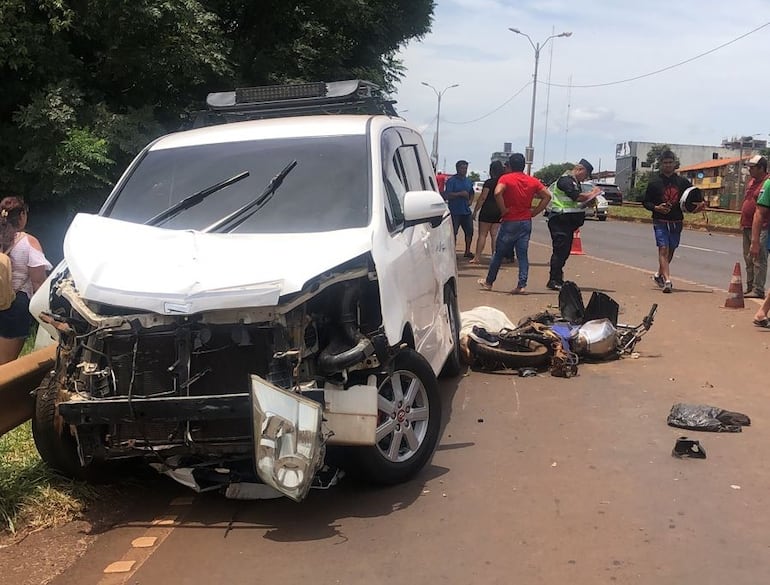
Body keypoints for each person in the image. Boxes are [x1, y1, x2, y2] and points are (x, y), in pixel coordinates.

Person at [477, 153, 551, 294]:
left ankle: (489, 282)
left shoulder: (506, 178)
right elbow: (547, 196)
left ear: (509, 166)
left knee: (498, 254)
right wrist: (535, 212)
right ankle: (521, 285)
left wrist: (503, 209)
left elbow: (498, 193)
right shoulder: (532, 181)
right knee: (522, 255)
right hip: (525, 221)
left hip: (510, 221)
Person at [642, 150, 705, 294]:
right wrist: (656, 208)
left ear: (674, 164)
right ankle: (668, 281)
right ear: (661, 164)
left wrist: (699, 207)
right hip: (660, 221)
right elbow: (645, 202)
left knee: (671, 249)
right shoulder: (654, 183)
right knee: (663, 249)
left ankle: (659, 275)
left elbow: (691, 202)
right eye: (665, 163)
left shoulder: (683, 182)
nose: (668, 165)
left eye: (670, 162)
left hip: (677, 221)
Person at [0, 196, 52, 364]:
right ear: (22, 215)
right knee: (5, 364)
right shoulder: (28, 242)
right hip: (15, 306)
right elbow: (38, 283)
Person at [545, 158, 600, 290]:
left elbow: (576, 204)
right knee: (560, 251)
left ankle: (558, 278)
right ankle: (553, 280)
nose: (585, 178)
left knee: (564, 251)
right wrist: (592, 193)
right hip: (559, 220)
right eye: (586, 175)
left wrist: (589, 201)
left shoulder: (575, 182)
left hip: (567, 222)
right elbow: (575, 196)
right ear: (580, 170)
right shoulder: (565, 180)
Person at [740, 155, 769, 298]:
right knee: (748, 257)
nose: (749, 170)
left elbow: (761, 210)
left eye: (752, 167)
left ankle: (758, 289)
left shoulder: (766, 183)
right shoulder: (751, 182)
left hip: (761, 226)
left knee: (758, 257)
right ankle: (750, 286)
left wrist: (756, 238)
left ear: (761, 168)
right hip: (746, 225)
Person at [470, 160, 505, 264]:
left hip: (487, 210)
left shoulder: (489, 182)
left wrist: (475, 210)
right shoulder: (502, 183)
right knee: (495, 235)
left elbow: (482, 197)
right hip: (498, 210)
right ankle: (495, 257)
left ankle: (477, 257)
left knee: (482, 235)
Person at [749, 164, 770, 327]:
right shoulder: (769, 185)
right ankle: (761, 312)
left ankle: (762, 312)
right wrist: (755, 241)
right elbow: (759, 213)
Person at [444, 159, 475, 259]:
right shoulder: (451, 181)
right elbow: (447, 195)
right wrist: (459, 194)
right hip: (455, 211)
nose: (464, 170)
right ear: (457, 168)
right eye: (462, 168)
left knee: (469, 231)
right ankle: (453, 251)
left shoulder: (468, 181)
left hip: (466, 211)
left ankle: (467, 251)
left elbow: (471, 192)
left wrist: (470, 201)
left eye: (466, 168)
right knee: (454, 233)